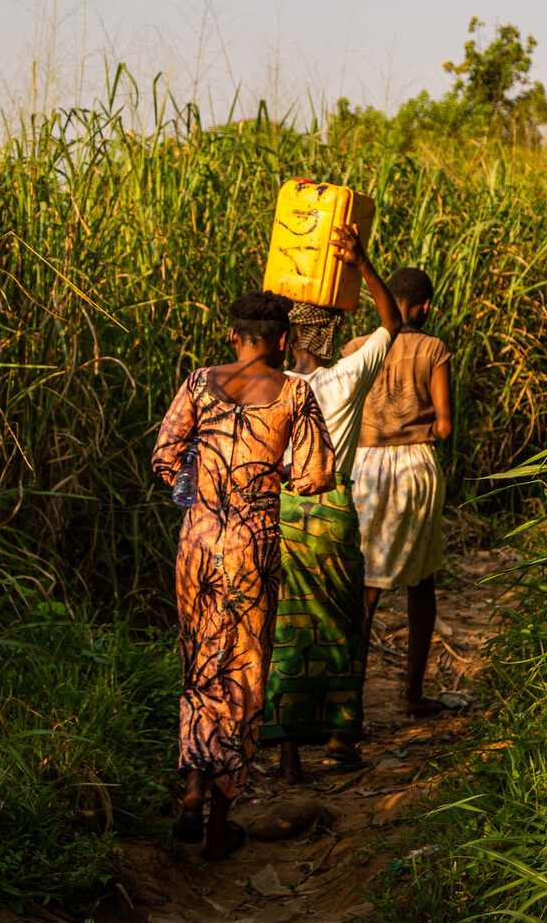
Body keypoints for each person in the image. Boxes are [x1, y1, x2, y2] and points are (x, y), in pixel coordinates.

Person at [151, 290, 335, 860]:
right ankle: (218, 826)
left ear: (234, 336)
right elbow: (313, 477)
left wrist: (203, 485)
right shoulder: (295, 393)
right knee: (243, 674)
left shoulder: (197, 382)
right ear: (285, 340)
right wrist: (267, 470)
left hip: (197, 546)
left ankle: (191, 791)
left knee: (201, 665)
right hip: (251, 551)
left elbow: (163, 459)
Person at [260, 223, 402, 785]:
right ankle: (343, 737)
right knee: (343, 624)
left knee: (288, 628)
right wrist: (363, 262)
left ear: (290, 339)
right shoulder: (348, 376)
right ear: (334, 334)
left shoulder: (272, 387)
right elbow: (392, 323)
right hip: (334, 510)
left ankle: (290, 756)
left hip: (284, 511)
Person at [342, 266, 454, 716]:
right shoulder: (433, 348)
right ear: (425, 306)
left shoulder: (356, 348)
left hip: (363, 467)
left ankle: (348, 707)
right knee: (422, 580)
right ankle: (411, 696)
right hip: (414, 468)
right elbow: (443, 428)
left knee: (365, 589)